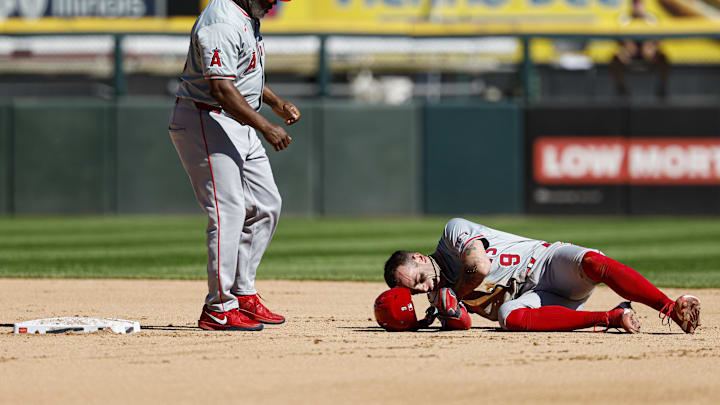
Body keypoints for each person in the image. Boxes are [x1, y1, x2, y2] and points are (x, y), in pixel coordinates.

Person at [168, 0, 299, 331]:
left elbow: (242, 75)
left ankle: (242, 294)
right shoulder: (222, 22)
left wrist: (276, 102)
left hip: (236, 119)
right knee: (228, 212)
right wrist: (266, 126)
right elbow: (221, 88)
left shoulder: (245, 16)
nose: (273, 3)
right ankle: (218, 307)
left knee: (267, 205)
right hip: (206, 117)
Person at [381, 218, 701, 333]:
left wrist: (457, 296)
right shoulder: (439, 294)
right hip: (537, 301)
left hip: (547, 262)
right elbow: (464, 322)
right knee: (509, 316)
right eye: (418, 290)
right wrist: (445, 312)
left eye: (420, 279)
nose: (426, 287)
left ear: (422, 258)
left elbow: (479, 266)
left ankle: (671, 309)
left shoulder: (452, 234)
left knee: (592, 262)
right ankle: (611, 317)